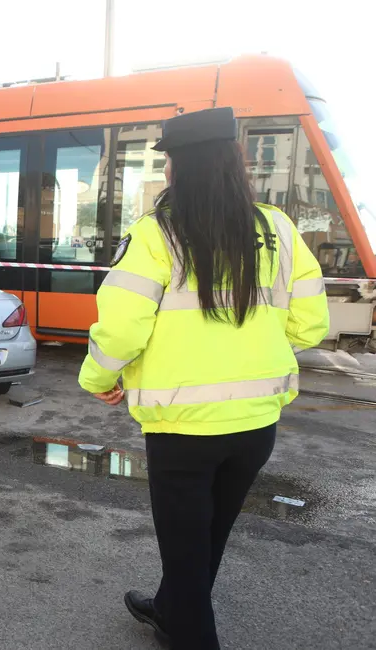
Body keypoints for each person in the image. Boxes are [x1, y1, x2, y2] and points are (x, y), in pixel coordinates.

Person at [78, 107, 329, 649]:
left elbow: (120, 330)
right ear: (234, 163)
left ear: (180, 167)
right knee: (207, 540)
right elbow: (311, 326)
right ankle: (170, 608)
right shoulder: (280, 231)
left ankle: (187, 625)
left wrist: (98, 377)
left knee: (187, 549)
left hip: (182, 429)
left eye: (167, 159)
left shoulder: (156, 234)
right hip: (256, 426)